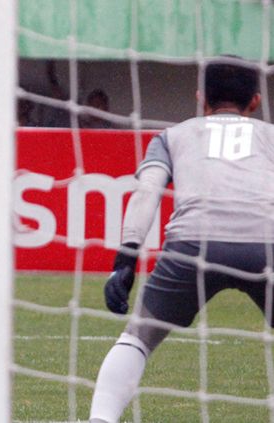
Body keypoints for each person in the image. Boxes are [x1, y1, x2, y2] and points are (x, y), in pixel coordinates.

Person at [89, 56, 274, 422]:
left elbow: (147, 191)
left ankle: (100, 420)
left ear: (200, 97)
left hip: (193, 242)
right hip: (266, 240)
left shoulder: (173, 135)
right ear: (256, 100)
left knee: (138, 337)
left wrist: (125, 261)